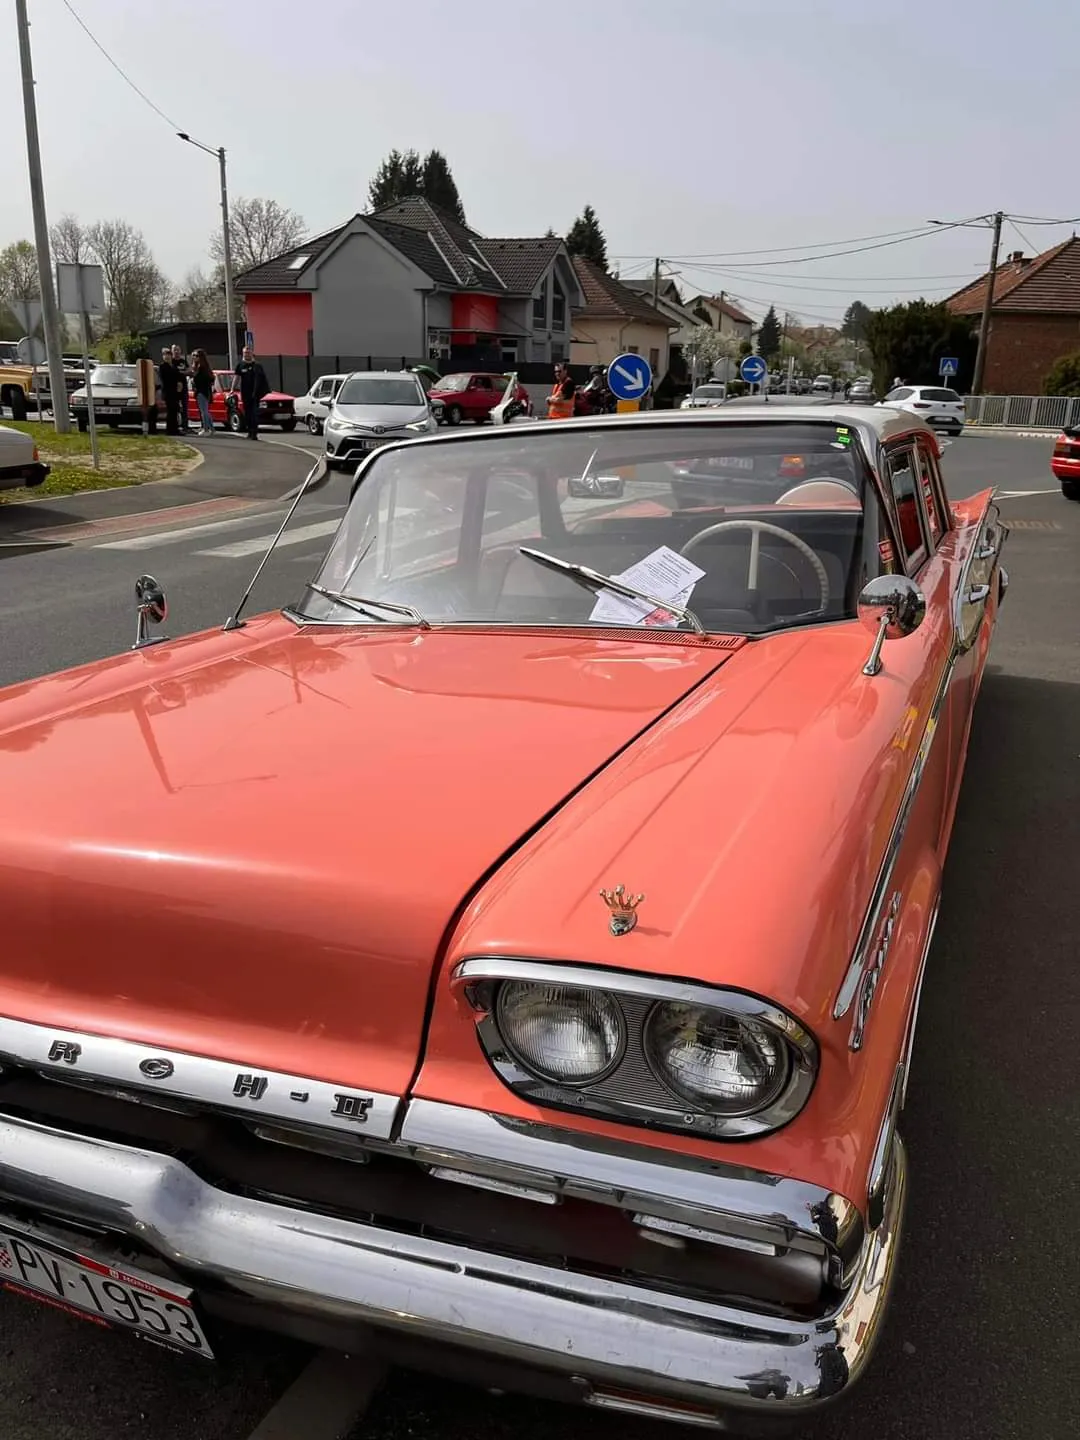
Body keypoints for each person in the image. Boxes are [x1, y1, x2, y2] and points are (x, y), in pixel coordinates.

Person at [234, 345, 270, 439]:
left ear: (252, 353)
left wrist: (261, 391)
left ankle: (254, 433)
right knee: (247, 413)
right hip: (245, 393)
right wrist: (232, 389)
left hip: (255, 394)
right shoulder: (240, 365)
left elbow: (262, 379)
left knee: (254, 413)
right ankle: (249, 431)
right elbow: (236, 377)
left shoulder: (257, 366)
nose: (247, 354)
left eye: (248, 352)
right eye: (245, 353)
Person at [190, 349, 215, 435]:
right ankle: (211, 428)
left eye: (196, 356)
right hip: (204, 391)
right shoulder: (205, 367)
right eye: (194, 356)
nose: (194, 358)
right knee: (206, 411)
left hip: (201, 391)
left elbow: (199, 379)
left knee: (204, 411)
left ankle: (206, 429)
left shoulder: (201, 368)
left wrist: (194, 379)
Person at [159, 347, 179, 435]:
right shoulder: (163, 366)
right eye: (165, 355)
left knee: (175, 410)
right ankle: (170, 430)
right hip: (168, 391)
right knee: (170, 411)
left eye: (168, 355)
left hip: (175, 391)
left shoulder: (173, 366)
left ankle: (175, 429)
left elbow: (178, 376)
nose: (167, 357)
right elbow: (165, 379)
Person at [172, 345, 190, 433]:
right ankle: (175, 426)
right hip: (173, 389)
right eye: (175, 350)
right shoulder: (170, 361)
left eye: (178, 350)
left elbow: (189, 371)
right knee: (175, 408)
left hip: (184, 388)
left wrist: (180, 372)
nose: (176, 352)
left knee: (185, 408)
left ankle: (185, 426)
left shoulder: (183, 362)